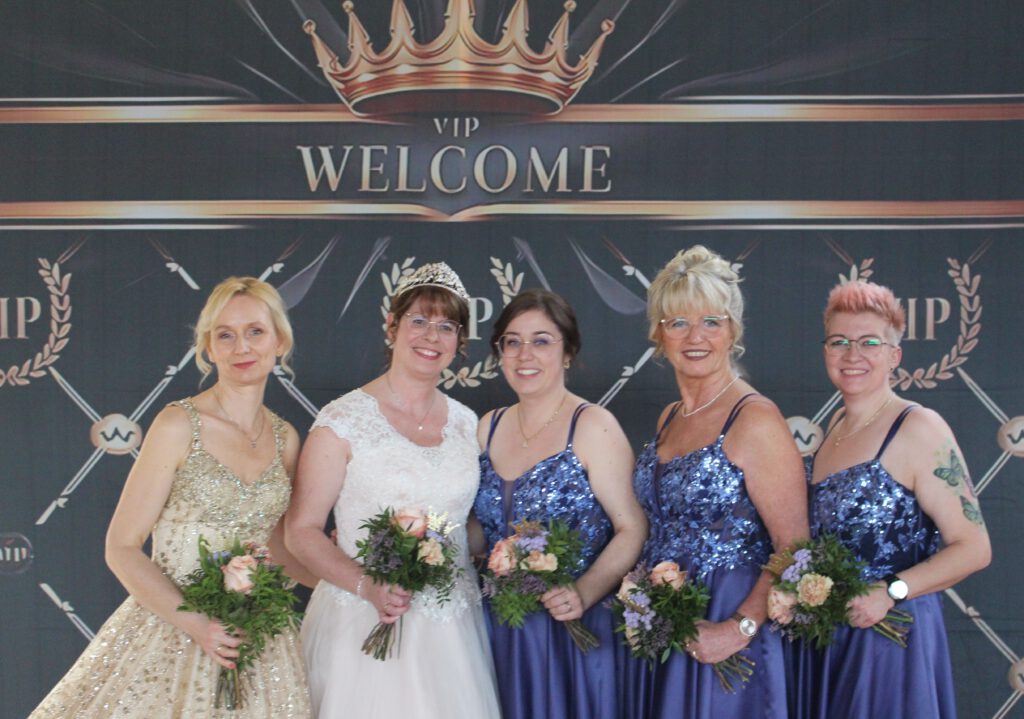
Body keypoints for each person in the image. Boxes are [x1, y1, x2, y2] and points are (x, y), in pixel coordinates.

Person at [31, 276, 315, 718]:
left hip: (256, 642)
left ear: (279, 341)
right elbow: (122, 547)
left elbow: (277, 546)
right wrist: (198, 625)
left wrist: (347, 586)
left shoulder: (286, 439)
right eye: (225, 335)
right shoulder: (178, 425)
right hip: (172, 634)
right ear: (209, 348)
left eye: (255, 332)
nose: (241, 347)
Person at [285, 262, 500, 718]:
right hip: (362, 622)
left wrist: (516, 550)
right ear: (392, 325)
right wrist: (368, 585)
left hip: (451, 630)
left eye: (447, 326)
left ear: (460, 342)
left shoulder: (467, 425)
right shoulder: (343, 421)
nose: (431, 337)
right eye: (419, 320)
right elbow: (300, 530)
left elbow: (467, 527)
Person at [790, 280, 991, 718]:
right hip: (833, 642)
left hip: (892, 639)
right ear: (825, 351)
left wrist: (891, 591)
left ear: (894, 355)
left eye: (869, 343)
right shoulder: (833, 429)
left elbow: (974, 548)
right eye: (839, 342)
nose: (852, 355)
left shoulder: (919, 428)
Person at [623, 246, 809, 718]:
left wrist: (739, 628)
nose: (695, 336)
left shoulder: (755, 418)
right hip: (667, 624)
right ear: (658, 334)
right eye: (678, 322)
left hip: (729, 626)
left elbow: (794, 545)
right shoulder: (670, 417)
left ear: (732, 331)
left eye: (711, 321)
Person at [472, 288, 647, 719]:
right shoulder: (487, 427)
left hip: (571, 630)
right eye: (512, 342)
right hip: (498, 628)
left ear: (567, 352)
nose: (524, 354)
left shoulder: (592, 426)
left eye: (541, 341)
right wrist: (427, 542)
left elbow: (632, 527)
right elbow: (479, 528)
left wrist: (583, 592)